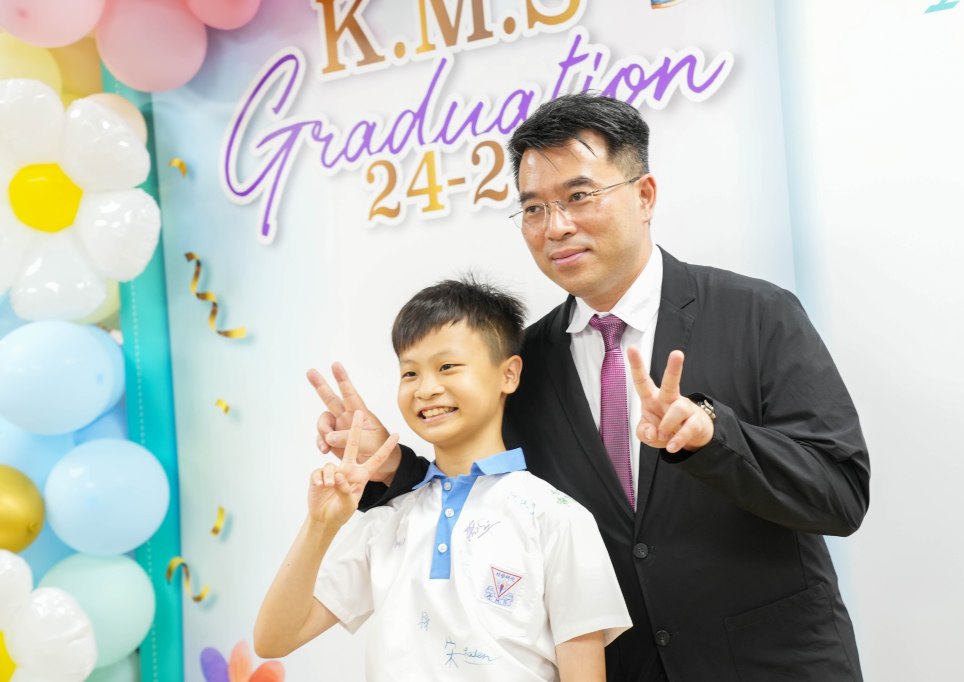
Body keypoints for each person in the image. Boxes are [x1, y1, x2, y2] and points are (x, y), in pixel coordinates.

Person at [314, 94, 870, 681]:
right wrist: (390, 466)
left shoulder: (757, 314)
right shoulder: (524, 364)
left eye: (579, 196)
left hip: (774, 665)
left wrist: (714, 437)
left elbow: (839, 494)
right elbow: (484, 495)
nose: (556, 226)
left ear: (645, 195)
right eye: (534, 208)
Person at [256, 278, 632, 681]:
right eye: (410, 373)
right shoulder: (388, 519)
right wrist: (320, 525)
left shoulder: (557, 517)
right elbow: (274, 640)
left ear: (509, 374)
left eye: (447, 366)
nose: (426, 389)